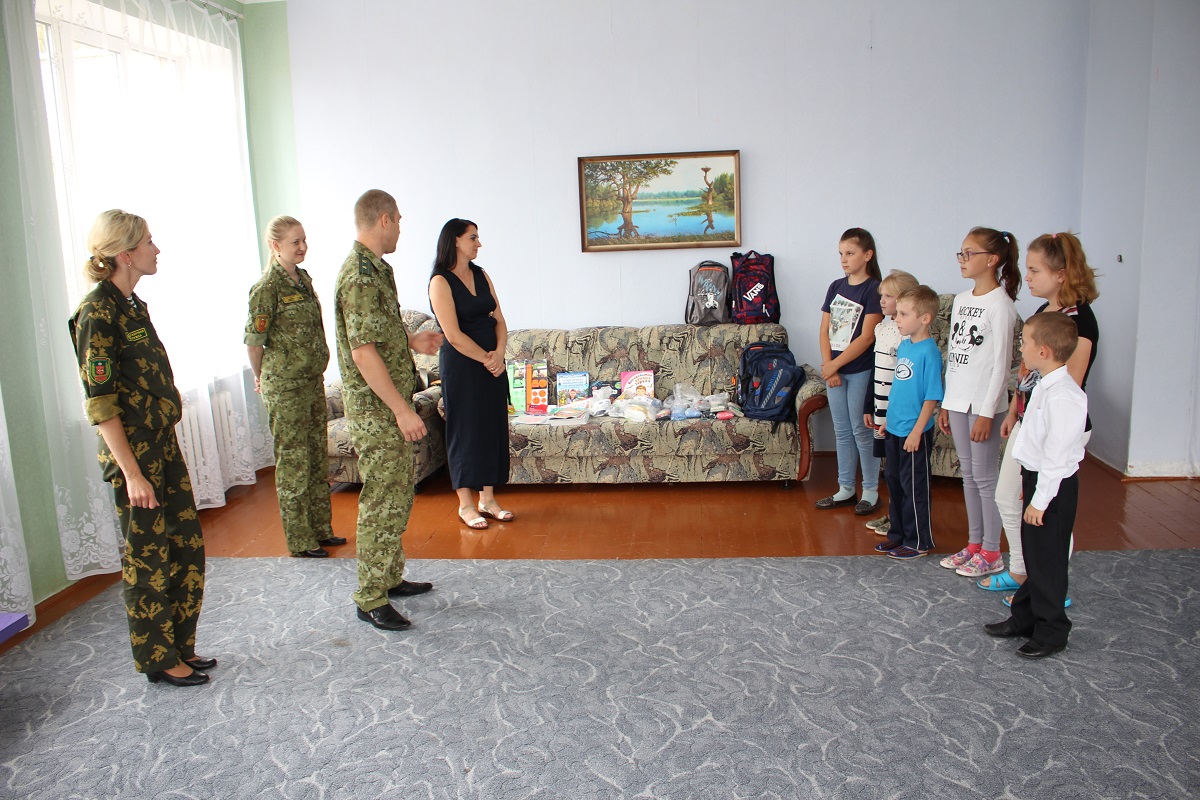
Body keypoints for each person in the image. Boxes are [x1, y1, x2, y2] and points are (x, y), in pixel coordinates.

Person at [68, 210, 214, 687]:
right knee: (148, 554)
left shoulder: (133, 307)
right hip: (134, 454)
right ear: (125, 254)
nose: (157, 249)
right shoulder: (97, 313)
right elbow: (102, 403)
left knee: (186, 546)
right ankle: (158, 658)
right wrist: (131, 473)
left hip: (161, 445)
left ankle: (181, 647)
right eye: (150, 242)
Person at [334, 190, 444, 631]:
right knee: (382, 499)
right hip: (378, 411)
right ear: (383, 219)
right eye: (398, 219)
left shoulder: (378, 269)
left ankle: (389, 577)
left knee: (397, 493)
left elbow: (380, 335)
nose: (400, 226)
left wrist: (412, 342)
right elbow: (363, 354)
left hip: (387, 406)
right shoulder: (359, 276)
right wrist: (402, 410)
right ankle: (370, 596)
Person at [982, 232, 1100, 604]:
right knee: (1007, 496)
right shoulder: (1042, 312)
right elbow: (1030, 375)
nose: (1027, 277)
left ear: (1061, 274)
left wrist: (1029, 426)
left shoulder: (1079, 321)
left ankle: (1051, 585)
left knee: (1048, 507)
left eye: (1035, 270)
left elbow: (1067, 388)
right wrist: (1015, 413)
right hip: (1028, 421)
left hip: (1055, 430)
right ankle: (1021, 571)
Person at [983, 312, 1086, 659]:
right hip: (1038, 480)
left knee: (1049, 562)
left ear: (1043, 351)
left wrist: (1040, 500)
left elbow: (1057, 458)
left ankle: (1053, 630)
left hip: (1053, 487)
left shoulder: (1065, 397)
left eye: (1024, 342)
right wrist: (1029, 485)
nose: (1020, 348)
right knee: (1034, 555)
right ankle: (1025, 618)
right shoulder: (1044, 384)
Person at [244, 216, 347, 558]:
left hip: (310, 381)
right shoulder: (266, 289)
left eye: (304, 240)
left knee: (316, 457)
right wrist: (262, 376)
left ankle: (321, 529)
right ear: (275, 246)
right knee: (293, 463)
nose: (302, 247)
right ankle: (300, 540)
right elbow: (254, 342)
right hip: (285, 387)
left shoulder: (302, 280)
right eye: (294, 242)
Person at [937, 228, 1020, 578]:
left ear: (992, 259)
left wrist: (988, 412)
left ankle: (991, 551)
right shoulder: (961, 299)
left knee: (985, 479)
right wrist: (945, 401)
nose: (962, 259)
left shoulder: (1002, 305)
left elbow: (1002, 365)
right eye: (961, 253)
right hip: (957, 400)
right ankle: (974, 545)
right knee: (967, 476)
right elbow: (955, 355)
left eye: (969, 253)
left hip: (983, 406)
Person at [428, 219, 512, 530]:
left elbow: (500, 320)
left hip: (492, 362)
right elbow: (452, 334)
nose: (479, 244)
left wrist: (499, 353)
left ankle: (488, 499)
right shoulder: (440, 282)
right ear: (456, 241)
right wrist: (487, 359)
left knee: (490, 428)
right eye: (473, 238)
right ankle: (465, 504)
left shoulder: (481, 274)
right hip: (463, 366)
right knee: (464, 431)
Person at [816, 227, 884, 515]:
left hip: (860, 371)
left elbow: (868, 337)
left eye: (850, 253)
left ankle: (870, 490)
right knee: (841, 430)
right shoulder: (835, 286)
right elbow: (824, 330)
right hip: (835, 372)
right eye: (841, 254)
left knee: (861, 430)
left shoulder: (874, 289)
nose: (844, 259)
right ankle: (845, 488)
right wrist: (828, 365)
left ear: (867, 255)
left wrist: (836, 365)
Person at [873, 286, 944, 560]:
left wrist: (916, 431)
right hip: (894, 428)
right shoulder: (904, 346)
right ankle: (898, 536)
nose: (897, 319)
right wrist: (887, 421)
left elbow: (931, 397)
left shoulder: (929, 352)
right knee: (894, 483)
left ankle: (918, 542)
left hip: (914, 433)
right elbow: (899, 390)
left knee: (913, 487)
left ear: (924, 318)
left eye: (903, 314)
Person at [862, 269, 920, 537]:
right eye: (881, 295)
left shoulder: (909, 335)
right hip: (880, 411)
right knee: (889, 467)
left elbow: (906, 379)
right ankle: (893, 514)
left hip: (899, 413)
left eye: (889, 296)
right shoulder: (881, 327)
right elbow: (877, 370)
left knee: (903, 471)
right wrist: (868, 407)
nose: (882, 301)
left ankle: (905, 519)